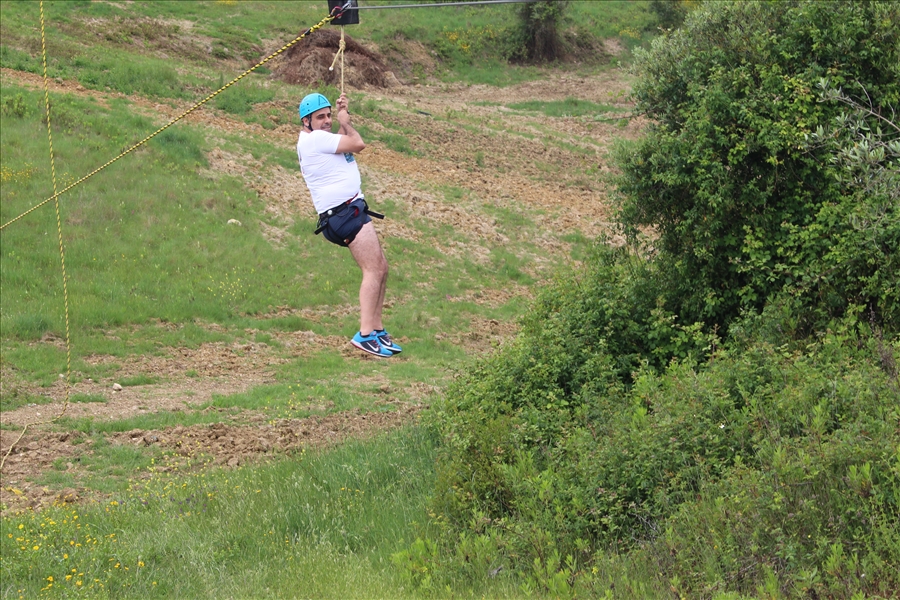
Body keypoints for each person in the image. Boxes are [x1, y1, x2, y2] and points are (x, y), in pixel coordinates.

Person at [296, 92, 401, 358]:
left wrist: (344, 118)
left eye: (329, 115)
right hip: (343, 214)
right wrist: (346, 121)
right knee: (373, 269)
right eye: (320, 117)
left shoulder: (318, 139)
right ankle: (364, 335)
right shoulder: (315, 139)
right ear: (306, 121)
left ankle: (377, 330)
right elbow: (358, 144)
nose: (327, 121)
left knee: (381, 267)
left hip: (347, 211)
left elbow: (345, 143)